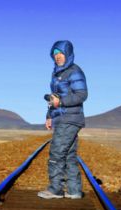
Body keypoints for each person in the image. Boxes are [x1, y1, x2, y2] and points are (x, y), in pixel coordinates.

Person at [38, 40, 88, 199]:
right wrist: (49, 116)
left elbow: (82, 95)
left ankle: (55, 189)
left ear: (68, 53)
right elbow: (55, 98)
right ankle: (74, 191)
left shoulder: (74, 71)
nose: (57, 57)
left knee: (57, 152)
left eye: (60, 53)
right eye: (54, 54)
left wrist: (62, 102)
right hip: (63, 118)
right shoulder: (57, 72)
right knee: (68, 154)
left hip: (70, 117)